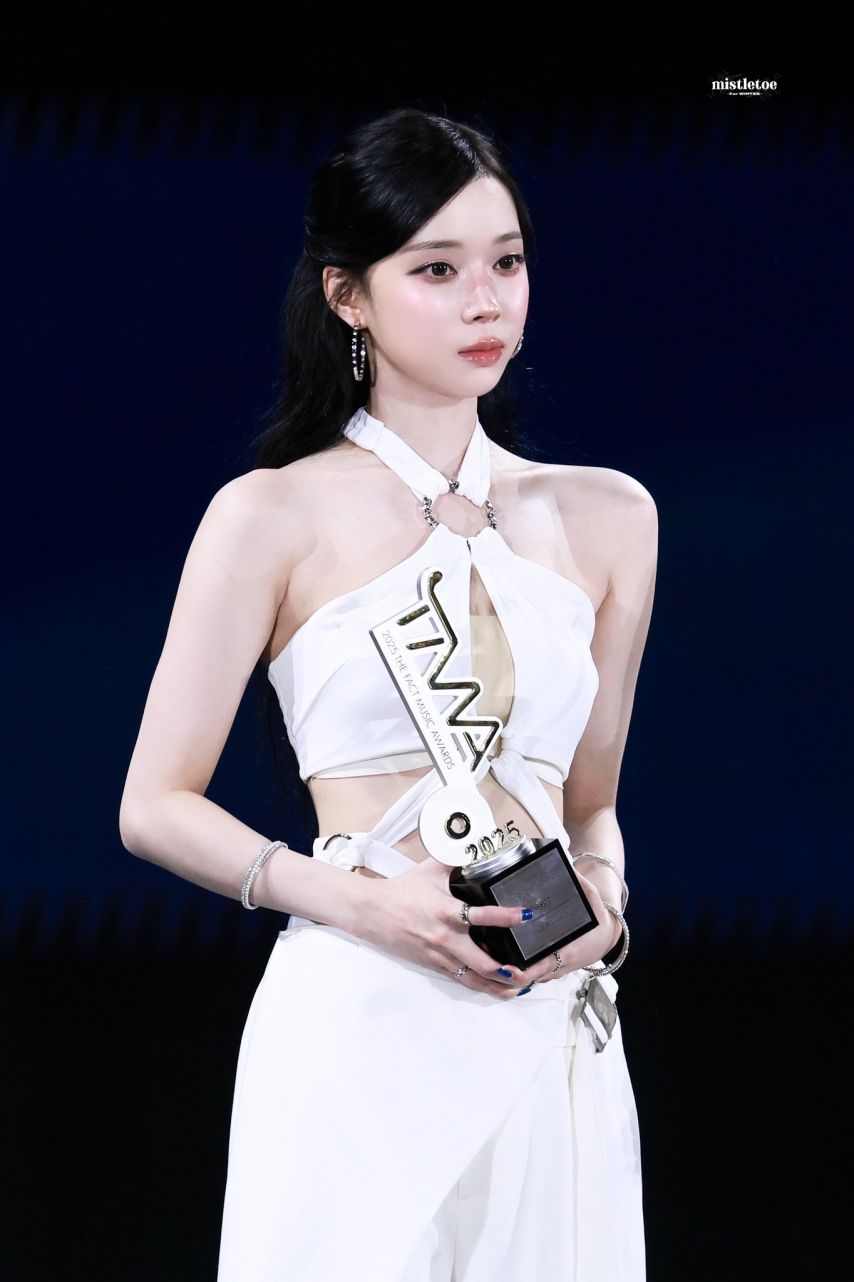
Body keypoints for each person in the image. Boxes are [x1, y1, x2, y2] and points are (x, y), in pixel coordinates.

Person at [119, 107, 657, 1282]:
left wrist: (605, 911)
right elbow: (153, 805)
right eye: (436, 269)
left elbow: (590, 807)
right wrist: (362, 907)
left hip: (546, 1028)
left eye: (505, 262)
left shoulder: (610, 516)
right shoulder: (268, 515)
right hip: (357, 1020)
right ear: (346, 295)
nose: (484, 302)